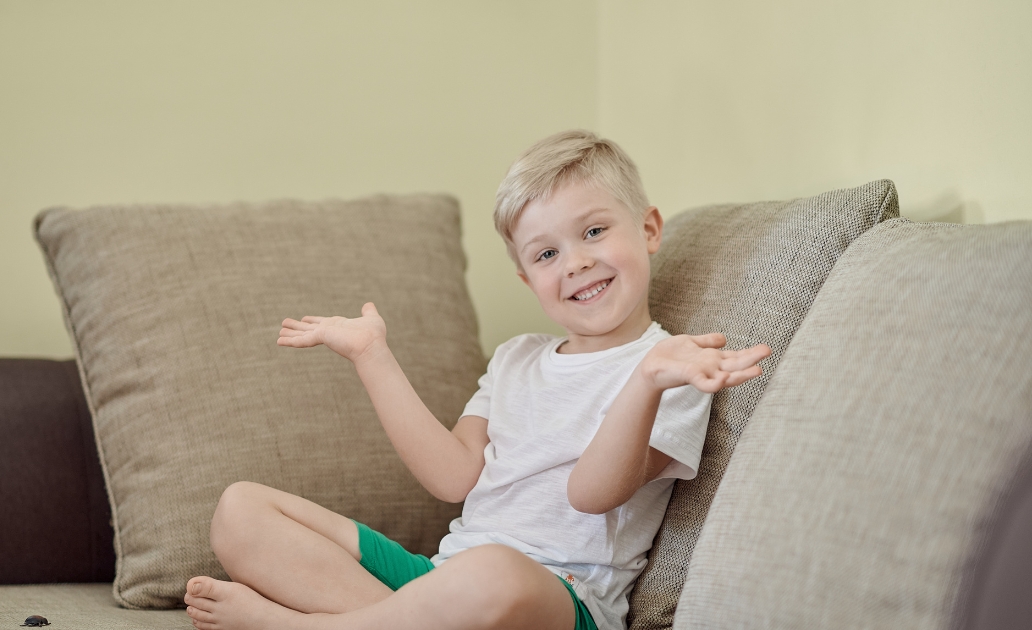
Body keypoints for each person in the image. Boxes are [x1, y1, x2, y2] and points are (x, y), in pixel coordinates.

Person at [184, 130, 771, 630]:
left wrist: (645, 382)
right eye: (545, 255)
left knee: (494, 570)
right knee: (240, 510)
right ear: (526, 279)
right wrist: (372, 358)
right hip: (445, 582)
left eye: (593, 232)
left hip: (556, 598)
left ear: (648, 229)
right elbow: (452, 476)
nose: (575, 263)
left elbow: (590, 496)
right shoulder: (516, 357)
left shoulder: (672, 367)